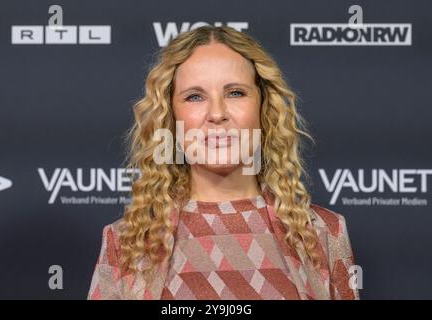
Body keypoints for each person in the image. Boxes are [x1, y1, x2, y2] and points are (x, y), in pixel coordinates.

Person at [87, 25, 359, 300]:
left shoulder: (323, 232)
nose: (217, 113)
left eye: (235, 93)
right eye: (195, 96)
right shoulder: (126, 242)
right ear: (170, 116)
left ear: (264, 107)